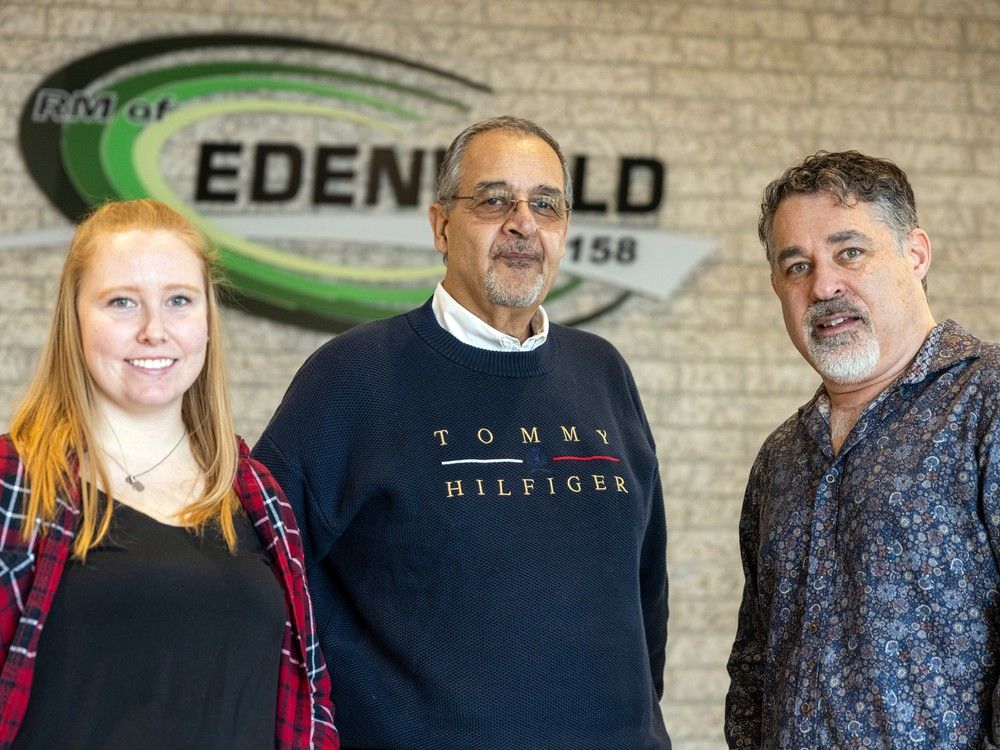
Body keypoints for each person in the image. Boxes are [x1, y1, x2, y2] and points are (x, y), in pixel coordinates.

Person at [253, 115, 670, 750]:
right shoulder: (354, 377)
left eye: (546, 205)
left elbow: (646, 588)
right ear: (441, 224)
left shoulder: (601, 371)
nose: (522, 223)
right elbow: (262, 565)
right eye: (494, 199)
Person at [0, 199, 338, 749]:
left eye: (179, 300)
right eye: (121, 302)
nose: (155, 330)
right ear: (74, 318)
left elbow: (308, 706)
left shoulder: (258, 496)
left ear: (207, 319)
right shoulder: (17, 482)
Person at [725, 150, 1000, 748]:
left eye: (850, 252)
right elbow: (754, 661)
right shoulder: (781, 457)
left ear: (916, 254)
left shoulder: (987, 400)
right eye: (796, 265)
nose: (823, 285)